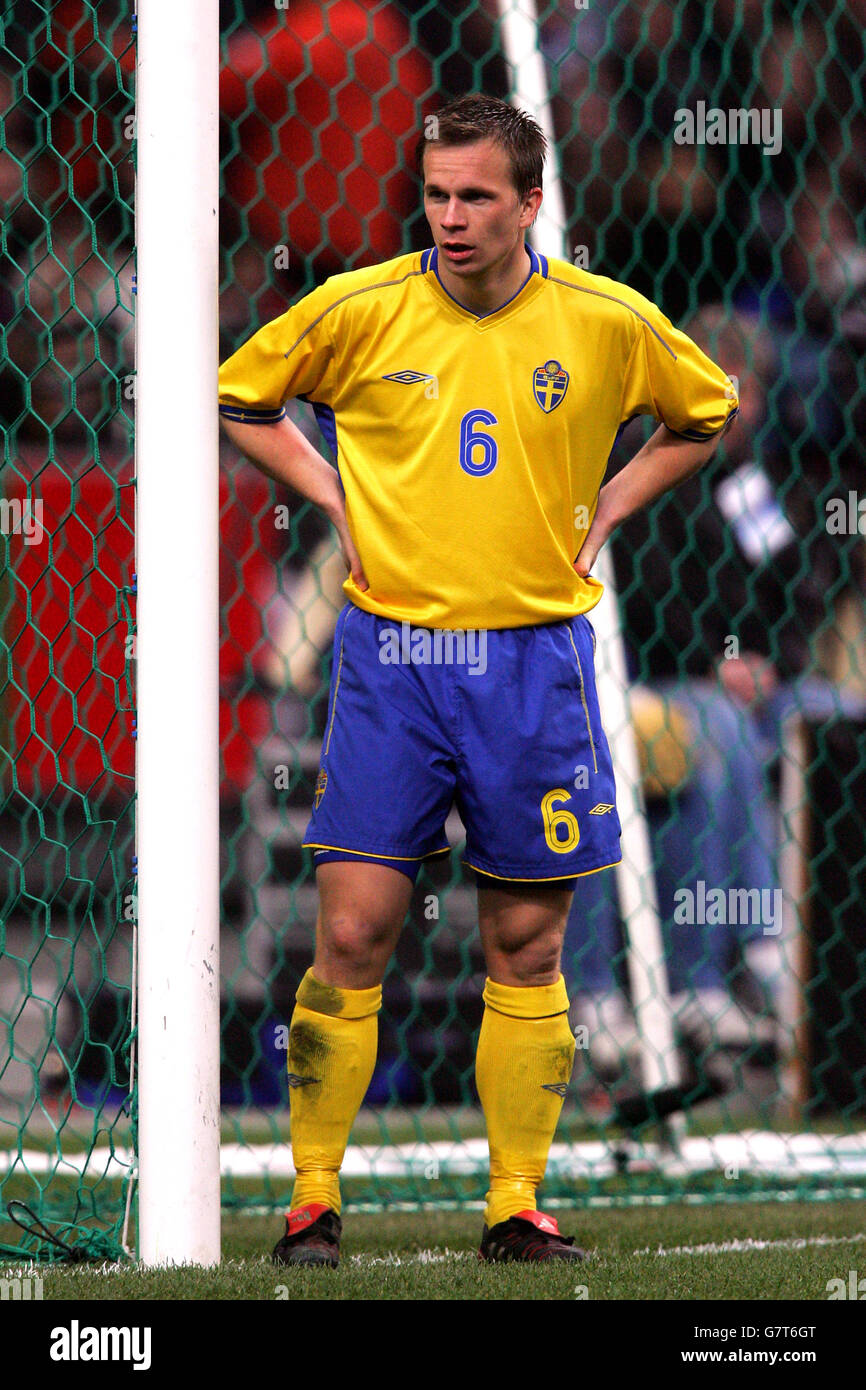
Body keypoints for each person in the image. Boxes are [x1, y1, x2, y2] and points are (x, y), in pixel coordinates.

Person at [217, 93, 738, 1267]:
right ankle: (311, 1200)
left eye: (474, 198)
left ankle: (514, 1204)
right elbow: (242, 398)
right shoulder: (357, 309)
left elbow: (704, 412)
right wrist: (331, 496)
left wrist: (610, 500)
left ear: (528, 205)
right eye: (435, 194)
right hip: (393, 660)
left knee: (527, 945)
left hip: (533, 664)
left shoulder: (602, 321)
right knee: (351, 933)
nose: (448, 218)